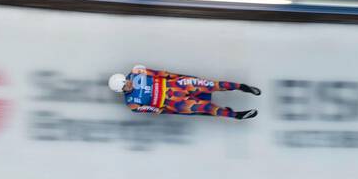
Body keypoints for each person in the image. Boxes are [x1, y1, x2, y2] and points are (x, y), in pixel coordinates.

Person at [107, 65, 260, 120]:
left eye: (126, 82)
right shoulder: (132, 104)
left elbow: (161, 73)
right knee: (208, 108)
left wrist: (180, 78)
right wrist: (175, 110)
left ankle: (242, 87)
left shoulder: (137, 71)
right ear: (121, 91)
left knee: (212, 85)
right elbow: (157, 110)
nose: (128, 85)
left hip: (178, 85)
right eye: (124, 87)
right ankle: (236, 115)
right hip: (174, 103)